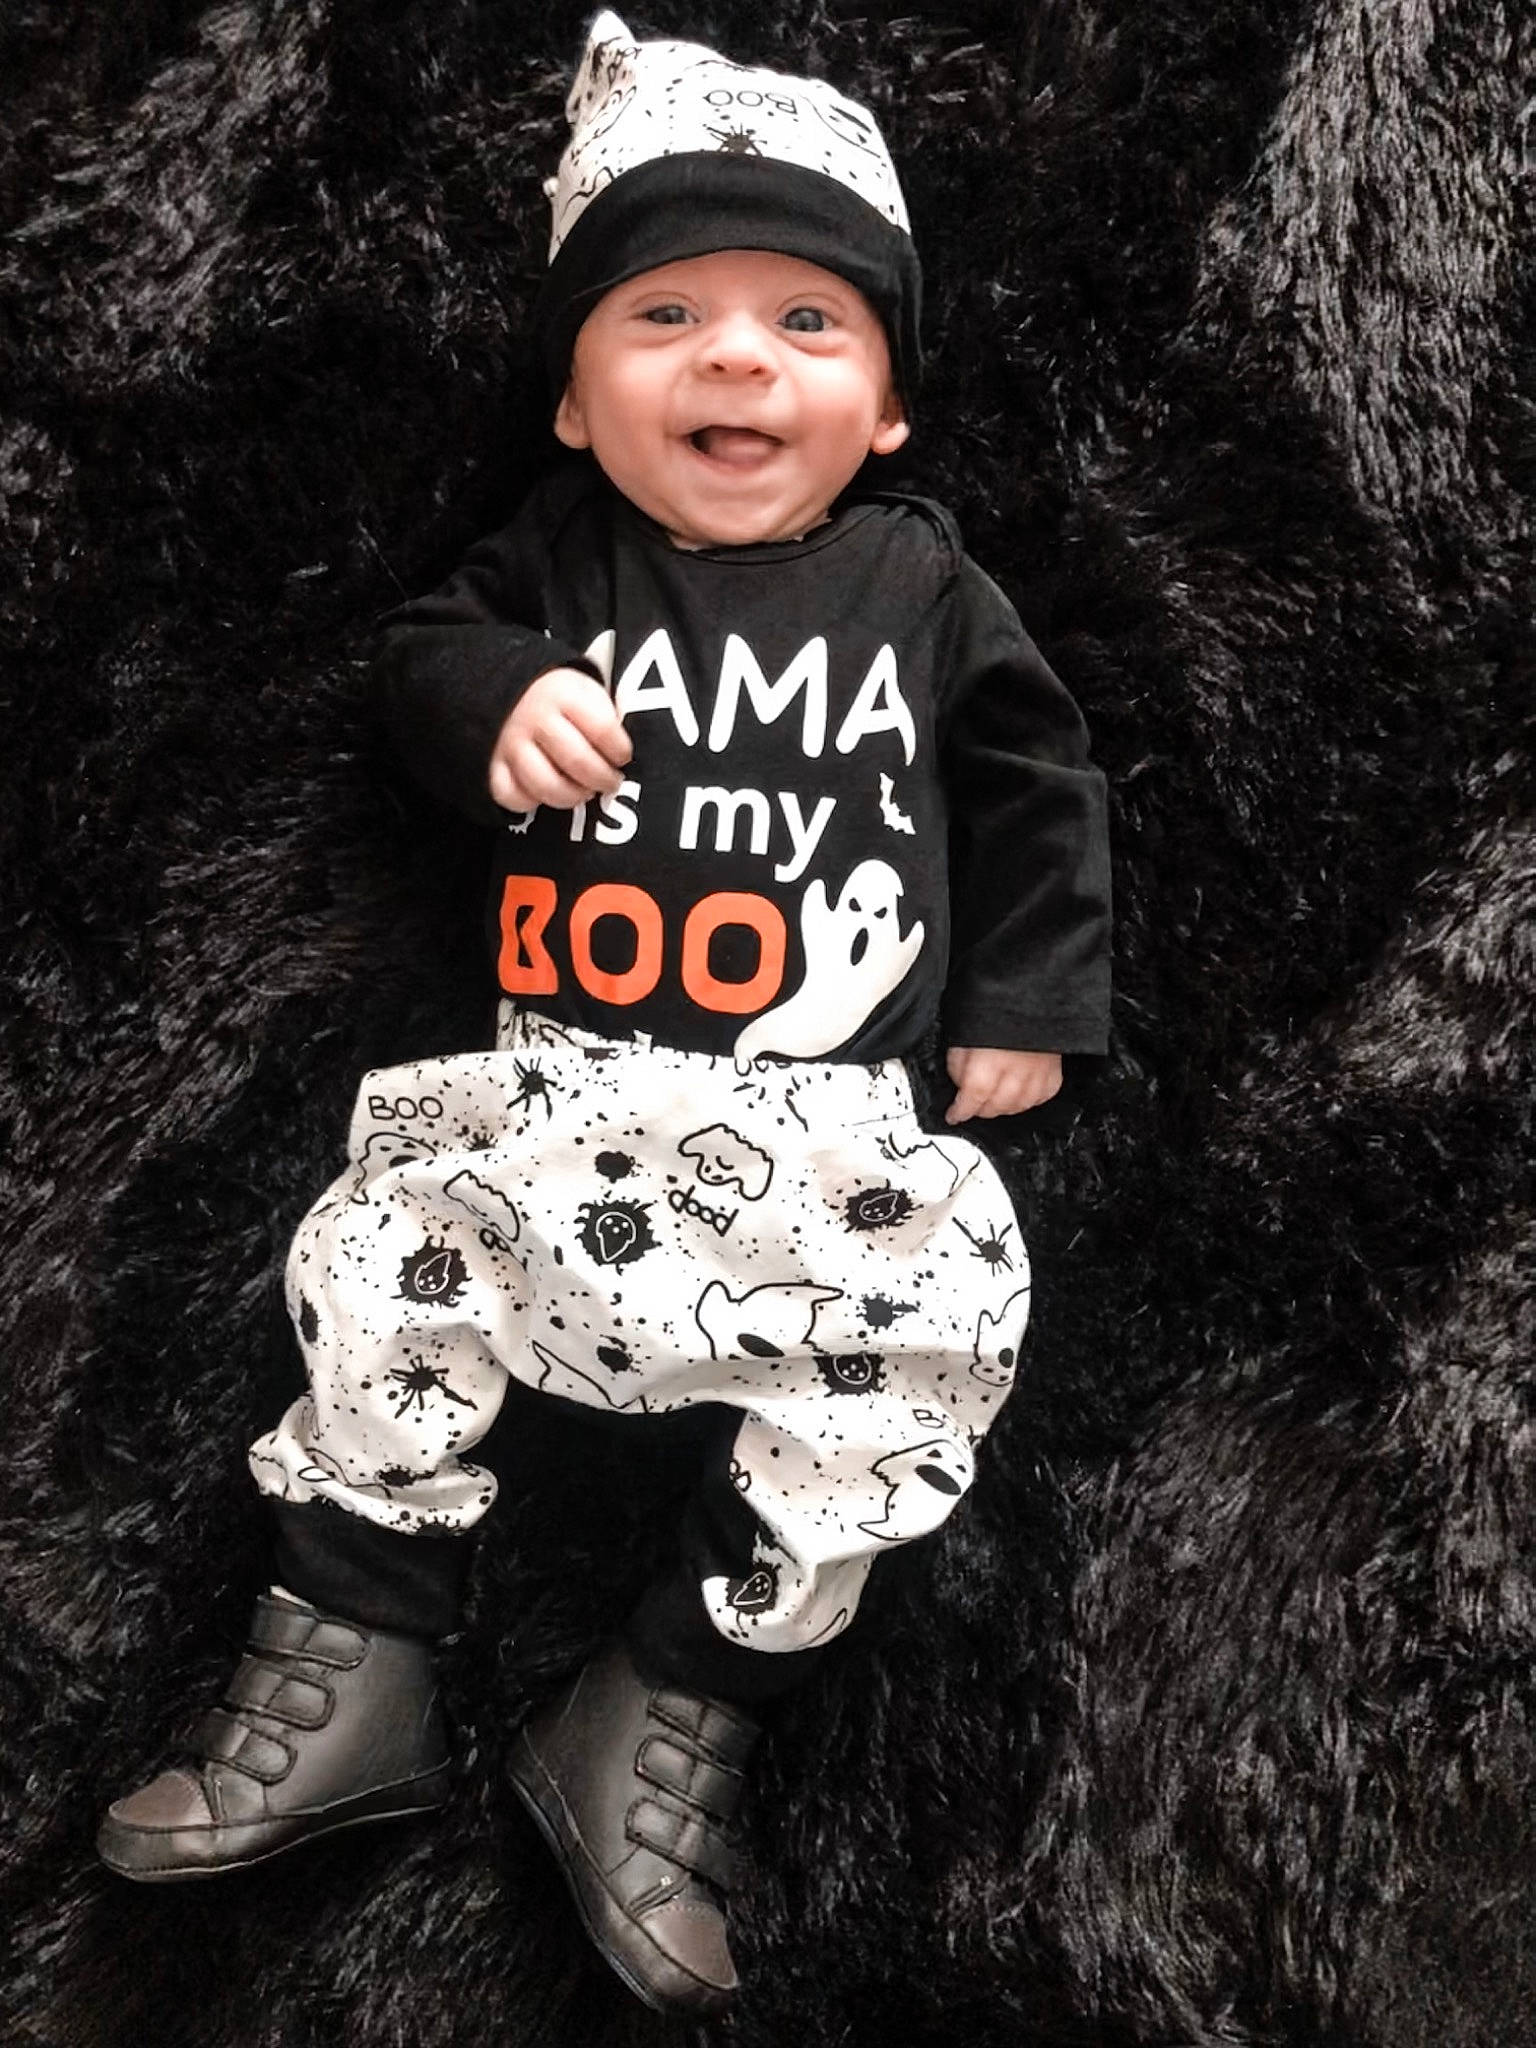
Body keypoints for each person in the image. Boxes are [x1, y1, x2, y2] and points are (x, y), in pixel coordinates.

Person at [97, 12, 1112, 2019]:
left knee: (927, 1362)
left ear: (890, 411)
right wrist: (495, 698)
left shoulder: (923, 588)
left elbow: (1038, 783)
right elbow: (417, 653)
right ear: (573, 401)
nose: (736, 360)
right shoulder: (556, 562)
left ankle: (668, 1697)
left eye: (808, 323)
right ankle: (354, 1658)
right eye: (665, 315)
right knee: (382, 1260)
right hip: (554, 1113)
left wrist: (1028, 992)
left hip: (828, 1143)